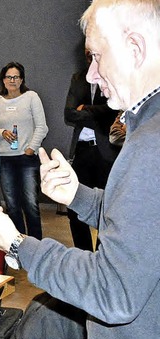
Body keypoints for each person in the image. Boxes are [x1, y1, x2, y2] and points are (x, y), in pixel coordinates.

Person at [0, 0, 160, 339]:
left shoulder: (151, 143)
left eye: (98, 57)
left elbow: (113, 292)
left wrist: (17, 244)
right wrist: (79, 197)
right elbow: (143, 228)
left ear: (135, 49)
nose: (91, 74)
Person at [63, 53, 120, 251]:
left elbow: (113, 109)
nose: (91, 61)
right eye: (89, 57)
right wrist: (97, 112)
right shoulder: (78, 78)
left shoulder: (113, 76)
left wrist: (85, 109)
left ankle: (102, 254)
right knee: (74, 206)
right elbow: (69, 113)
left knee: (106, 207)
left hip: (106, 152)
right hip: (82, 152)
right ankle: (84, 253)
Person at [0, 62, 48, 239]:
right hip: (4, 160)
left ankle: (37, 246)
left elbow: (42, 127)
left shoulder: (31, 97)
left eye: (16, 77)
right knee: (12, 205)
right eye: (8, 77)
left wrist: (30, 149)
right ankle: (19, 246)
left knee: (30, 204)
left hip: (27, 159)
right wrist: (2, 133)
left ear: (21, 80)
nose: (12, 80)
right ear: (3, 80)